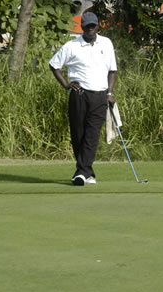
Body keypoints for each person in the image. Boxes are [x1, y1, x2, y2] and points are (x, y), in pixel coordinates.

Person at [49, 12, 117, 186]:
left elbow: (112, 70)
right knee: (78, 134)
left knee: (92, 135)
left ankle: (81, 172)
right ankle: (88, 172)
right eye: (87, 26)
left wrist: (110, 93)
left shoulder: (106, 43)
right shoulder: (72, 46)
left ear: (98, 26)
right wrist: (66, 84)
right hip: (79, 95)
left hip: (100, 95)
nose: (90, 29)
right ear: (82, 27)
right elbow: (54, 65)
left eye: (93, 26)